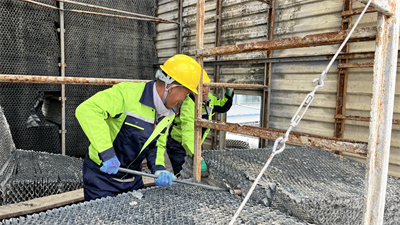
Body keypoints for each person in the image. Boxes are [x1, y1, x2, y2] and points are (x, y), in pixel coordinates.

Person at [75, 54, 202, 201]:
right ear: (172, 87)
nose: (183, 100)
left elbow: (157, 144)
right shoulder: (127, 93)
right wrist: (107, 154)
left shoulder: (169, 112)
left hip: (132, 178)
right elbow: (87, 110)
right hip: (102, 179)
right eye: (185, 94)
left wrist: (159, 168)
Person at [167, 71, 234, 177]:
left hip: (196, 142)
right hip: (178, 145)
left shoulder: (209, 99)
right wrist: (197, 156)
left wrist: (228, 94)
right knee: (182, 175)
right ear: (192, 88)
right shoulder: (188, 105)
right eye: (199, 86)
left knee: (197, 173)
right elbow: (187, 135)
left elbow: (222, 106)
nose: (203, 90)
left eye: (205, 86)